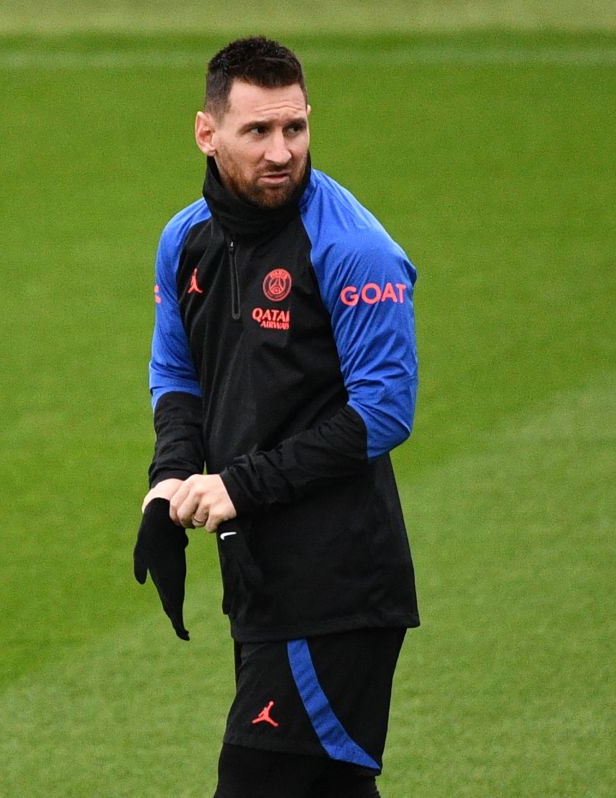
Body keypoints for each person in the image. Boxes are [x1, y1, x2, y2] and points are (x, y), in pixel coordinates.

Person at [136, 36, 420, 798]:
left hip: (337, 586)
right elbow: (178, 373)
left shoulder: (354, 249)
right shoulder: (186, 240)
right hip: (260, 576)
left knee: (256, 783)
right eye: (257, 131)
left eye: (294, 128)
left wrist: (238, 485)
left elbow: (385, 413)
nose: (281, 151)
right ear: (208, 132)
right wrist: (169, 480)